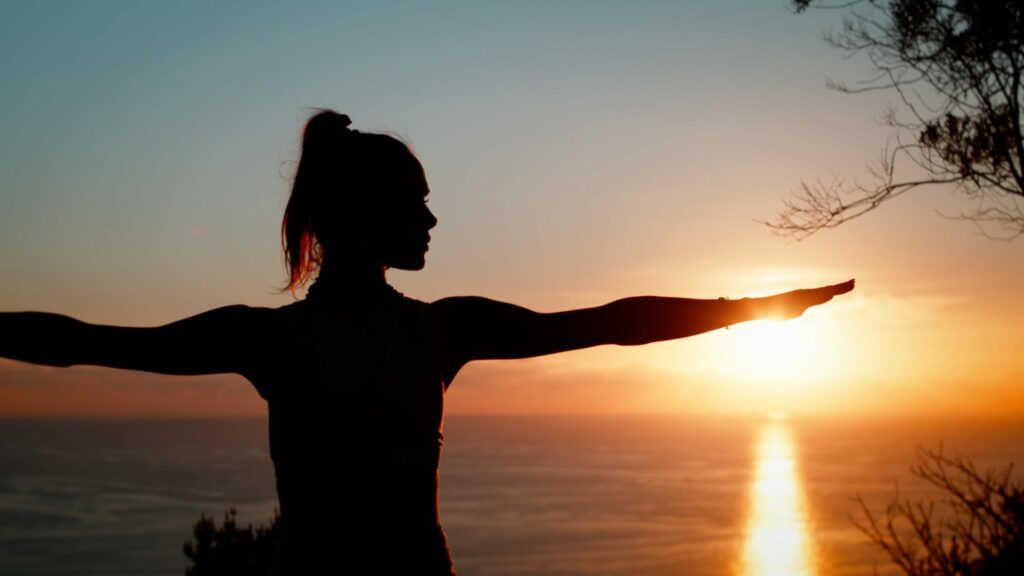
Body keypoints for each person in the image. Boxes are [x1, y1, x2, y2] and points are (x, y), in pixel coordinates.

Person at [0, 110, 854, 575]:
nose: (433, 217)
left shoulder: (432, 330)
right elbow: (88, 341)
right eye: (414, 201)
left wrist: (756, 307)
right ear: (351, 213)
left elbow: (608, 321)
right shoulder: (278, 340)